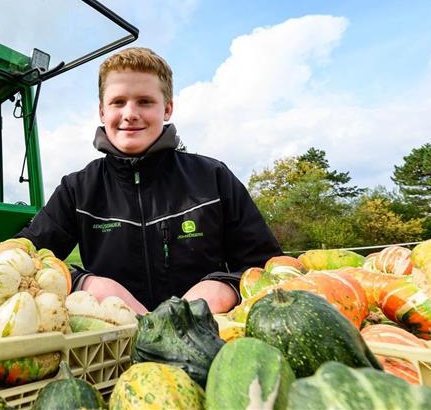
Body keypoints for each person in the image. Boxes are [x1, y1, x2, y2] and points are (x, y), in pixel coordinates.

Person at [18, 47, 282, 314]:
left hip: (210, 342)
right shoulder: (78, 190)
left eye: (145, 101)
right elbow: (23, 261)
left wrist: (225, 286)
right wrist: (85, 283)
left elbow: (268, 267)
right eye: (118, 102)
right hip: (113, 345)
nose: (130, 113)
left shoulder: (214, 178)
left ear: (167, 109)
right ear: (101, 111)